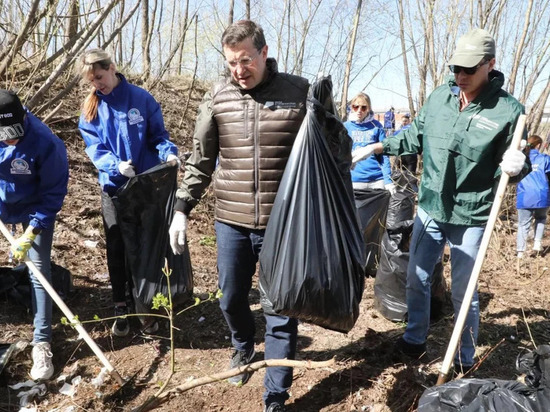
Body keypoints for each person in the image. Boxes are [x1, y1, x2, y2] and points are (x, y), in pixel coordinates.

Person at [351, 28, 527, 372]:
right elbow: (414, 135)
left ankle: (464, 359)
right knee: (416, 278)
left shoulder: (508, 111)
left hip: (472, 215)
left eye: (469, 70)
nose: (460, 77)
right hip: (430, 207)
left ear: (490, 65)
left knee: (464, 294)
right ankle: (414, 339)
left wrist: (518, 166)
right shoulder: (439, 99)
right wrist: (376, 147)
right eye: (456, 69)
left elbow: (515, 162)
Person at [168, 20, 309, 412]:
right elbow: (201, 160)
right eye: (231, 63)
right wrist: (182, 208)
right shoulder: (217, 97)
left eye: (246, 60)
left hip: (284, 224)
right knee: (231, 298)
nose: (239, 70)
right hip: (230, 219)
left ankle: (275, 396)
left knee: (279, 308)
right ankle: (243, 348)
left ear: (264, 53)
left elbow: (327, 153)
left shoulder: (299, 93)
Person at [77, 49, 179, 337]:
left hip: (144, 186)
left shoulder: (141, 99)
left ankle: (145, 307)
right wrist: (114, 166)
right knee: (118, 246)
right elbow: (95, 149)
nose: (97, 84)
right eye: (91, 81)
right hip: (114, 188)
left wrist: (168, 154)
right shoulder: (90, 111)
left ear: (112, 68)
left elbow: (158, 135)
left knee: (145, 245)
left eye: (99, 76)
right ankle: (121, 305)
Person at [0, 90, 69, 380]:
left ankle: (42, 342)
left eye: (14, 134)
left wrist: (32, 230)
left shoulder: (46, 143)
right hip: (2, 202)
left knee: (38, 271)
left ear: (24, 118)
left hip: (34, 210)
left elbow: (53, 193)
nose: (9, 141)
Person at [345, 93, 395, 195]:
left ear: (369, 108)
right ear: (351, 107)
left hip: (376, 180)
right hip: (354, 180)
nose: (359, 110)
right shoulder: (345, 127)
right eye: (356, 107)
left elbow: (384, 154)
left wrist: (388, 180)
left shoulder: (376, 126)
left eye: (363, 107)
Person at [516, 135, 550, 257]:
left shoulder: (520, 159)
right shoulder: (545, 159)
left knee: (523, 223)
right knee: (541, 218)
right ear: (539, 145)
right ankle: (537, 243)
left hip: (525, 194)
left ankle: (520, 252)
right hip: (542, 194)